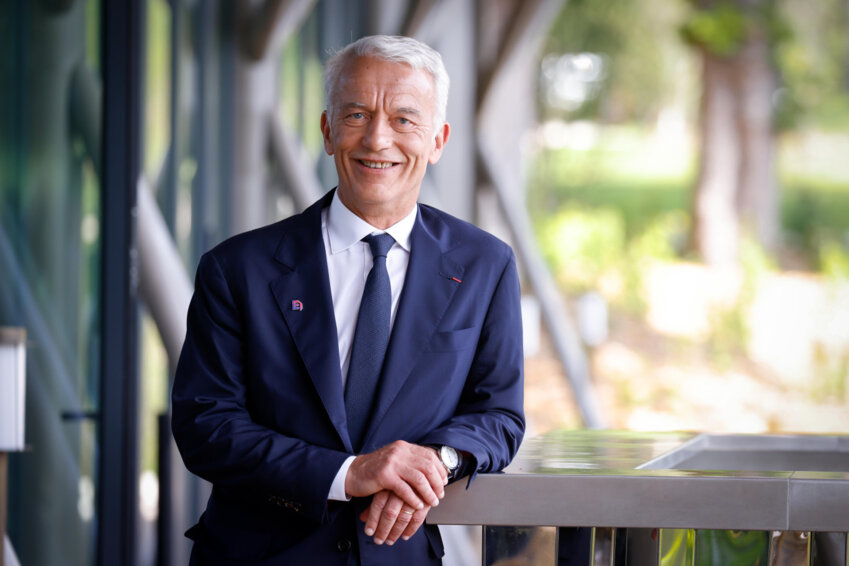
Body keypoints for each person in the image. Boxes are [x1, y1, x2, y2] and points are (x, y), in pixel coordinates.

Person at [171, 34, 525, 566]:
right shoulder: (237, 268)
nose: (378, 139)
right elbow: (207, 425)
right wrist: (349, 474)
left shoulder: (485, 265)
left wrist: (435, 460)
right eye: (357, 114)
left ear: (438, 140)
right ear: (327, 131)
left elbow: (499, 414)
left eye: (405, 120)